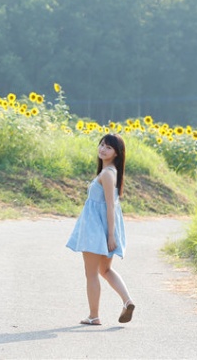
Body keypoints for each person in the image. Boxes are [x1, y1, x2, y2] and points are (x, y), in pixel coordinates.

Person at [66, 132, 135, 326]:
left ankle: (94, 315)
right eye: (102, 145)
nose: (103, 149)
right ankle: (127, 301)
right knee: (105, 270)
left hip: (96, 229)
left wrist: (110, 236)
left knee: (92, 274)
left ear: (117, 153)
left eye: (109, 147)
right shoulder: (112, 172)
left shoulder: (106, 174)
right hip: (102, 228)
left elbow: (110, 206)